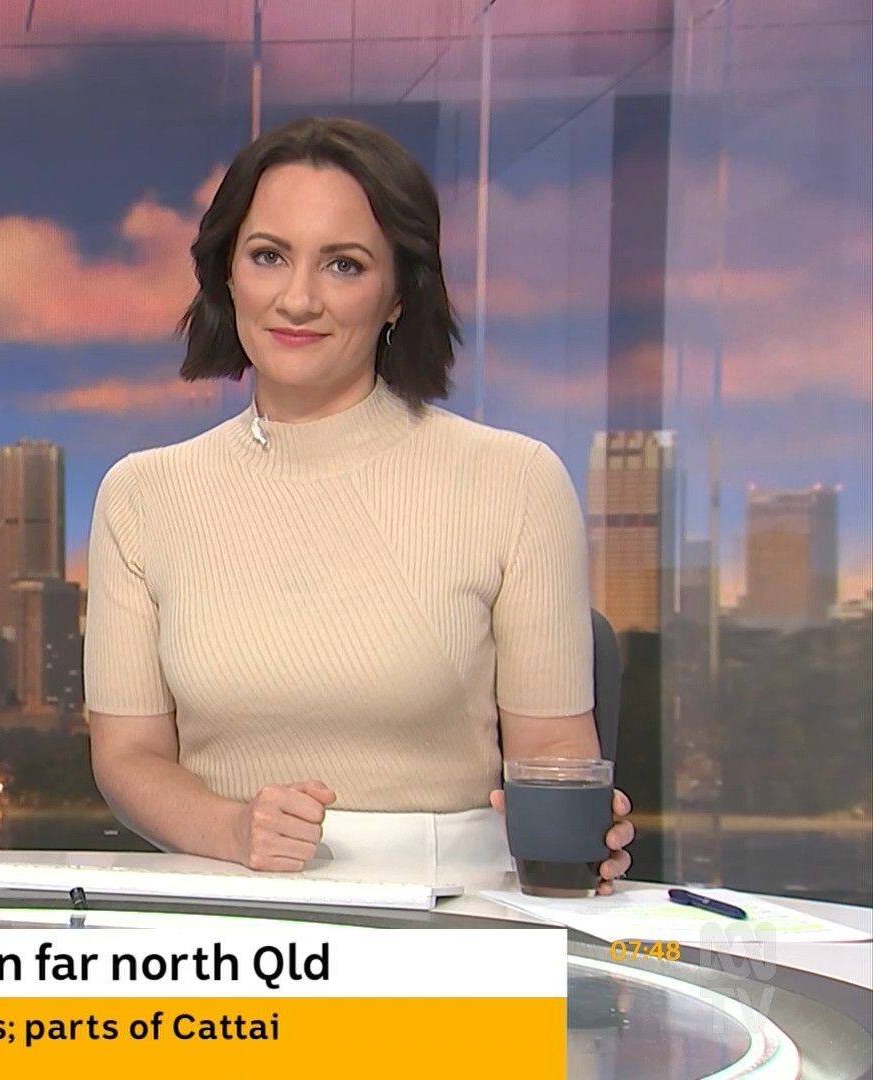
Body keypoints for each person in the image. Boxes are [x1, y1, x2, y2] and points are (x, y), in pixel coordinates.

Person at [84, 117, 634, 889]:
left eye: (343, 265)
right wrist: (232, 830)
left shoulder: (515, 480)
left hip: (455, 907)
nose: (298, 299)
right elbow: (129, 756)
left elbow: (552, 751)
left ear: (399, 294)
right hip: (226, 899)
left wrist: (577, 835)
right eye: (268, 256)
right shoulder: (142, 495)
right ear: (227, 275)